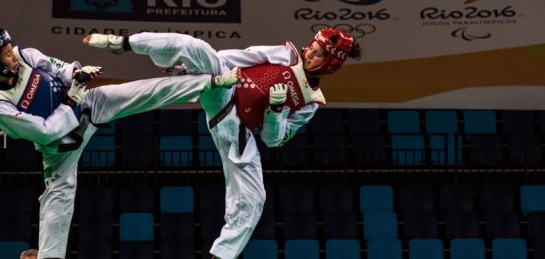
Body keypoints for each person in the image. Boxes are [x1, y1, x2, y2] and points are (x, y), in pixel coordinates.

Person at [0, 26, 240, 259]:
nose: (13, 55)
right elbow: (45, 132)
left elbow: (59, 69)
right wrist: (70, 100)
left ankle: (210, 82)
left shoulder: (26, 56)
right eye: (6, 53)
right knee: (58, 197)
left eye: (10, 49)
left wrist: (77, 75)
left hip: (88, 105)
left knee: (141, 92)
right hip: (61, 146)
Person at [84, 27, 362, 259]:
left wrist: (277, 112)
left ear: (330, 64)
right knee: (194, 46)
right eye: (313, 47)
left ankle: (221, 255)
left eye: (319, 54)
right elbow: (243, 56)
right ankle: (122, 42)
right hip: (225, 89)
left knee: (254, 199)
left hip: (239, 131)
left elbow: (273, 140)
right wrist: (187, 71)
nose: (310, 53)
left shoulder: (311, 102)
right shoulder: (287, 54)